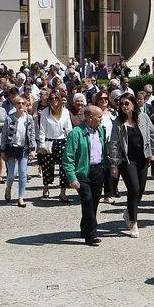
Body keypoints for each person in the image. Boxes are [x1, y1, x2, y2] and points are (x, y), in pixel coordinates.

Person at [108, 94, 154, 238]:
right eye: (121, 104)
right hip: (127, 161)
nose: (124, 106)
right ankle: (133, 222)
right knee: (134, 189)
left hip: (143, 159)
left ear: (133, 104)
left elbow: (152, 134)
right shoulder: (118, 122)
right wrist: (114, 164)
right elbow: (114, 144)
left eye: (127, 103)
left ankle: (128, 212)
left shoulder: (143, 117)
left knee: (140, 191)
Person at [63, 105, 109, 246]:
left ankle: (85, 227)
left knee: (93, 203)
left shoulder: (101, 130)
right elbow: (68, 157)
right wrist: (72, 178)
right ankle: (91, 235)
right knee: (88, 200)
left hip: (97, 171)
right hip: (82, 173)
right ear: (89, 117)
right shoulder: (76, 133)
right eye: (99, 117)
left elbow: (104, 151)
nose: (102, 119)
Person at [0, 95, 37, 207]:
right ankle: (8, 188)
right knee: (12, 174)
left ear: (26, 105)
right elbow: (4, 135)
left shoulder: (29, 118)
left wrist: (33, 149)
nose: (21, 105)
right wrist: (2, 150)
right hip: (11, 148)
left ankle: (21, 197)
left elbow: (32, 134)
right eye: (18, 103)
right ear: (15, 105)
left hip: (24, 148)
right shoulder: (9, 118)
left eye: (23, 103)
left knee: (22, 174)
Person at [37, 90, 72, 202]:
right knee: (47, 167)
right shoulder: (44, 112)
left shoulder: (65, 112)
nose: (54, 101)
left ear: (60, 99)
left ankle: (62, 192)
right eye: (51, 99)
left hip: (62, 141)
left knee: (63, 168)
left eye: (56, 98)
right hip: (49, 142)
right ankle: (46, 187)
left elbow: (69, 129)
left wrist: (71, 143)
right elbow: (42, 130)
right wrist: (42, 145)